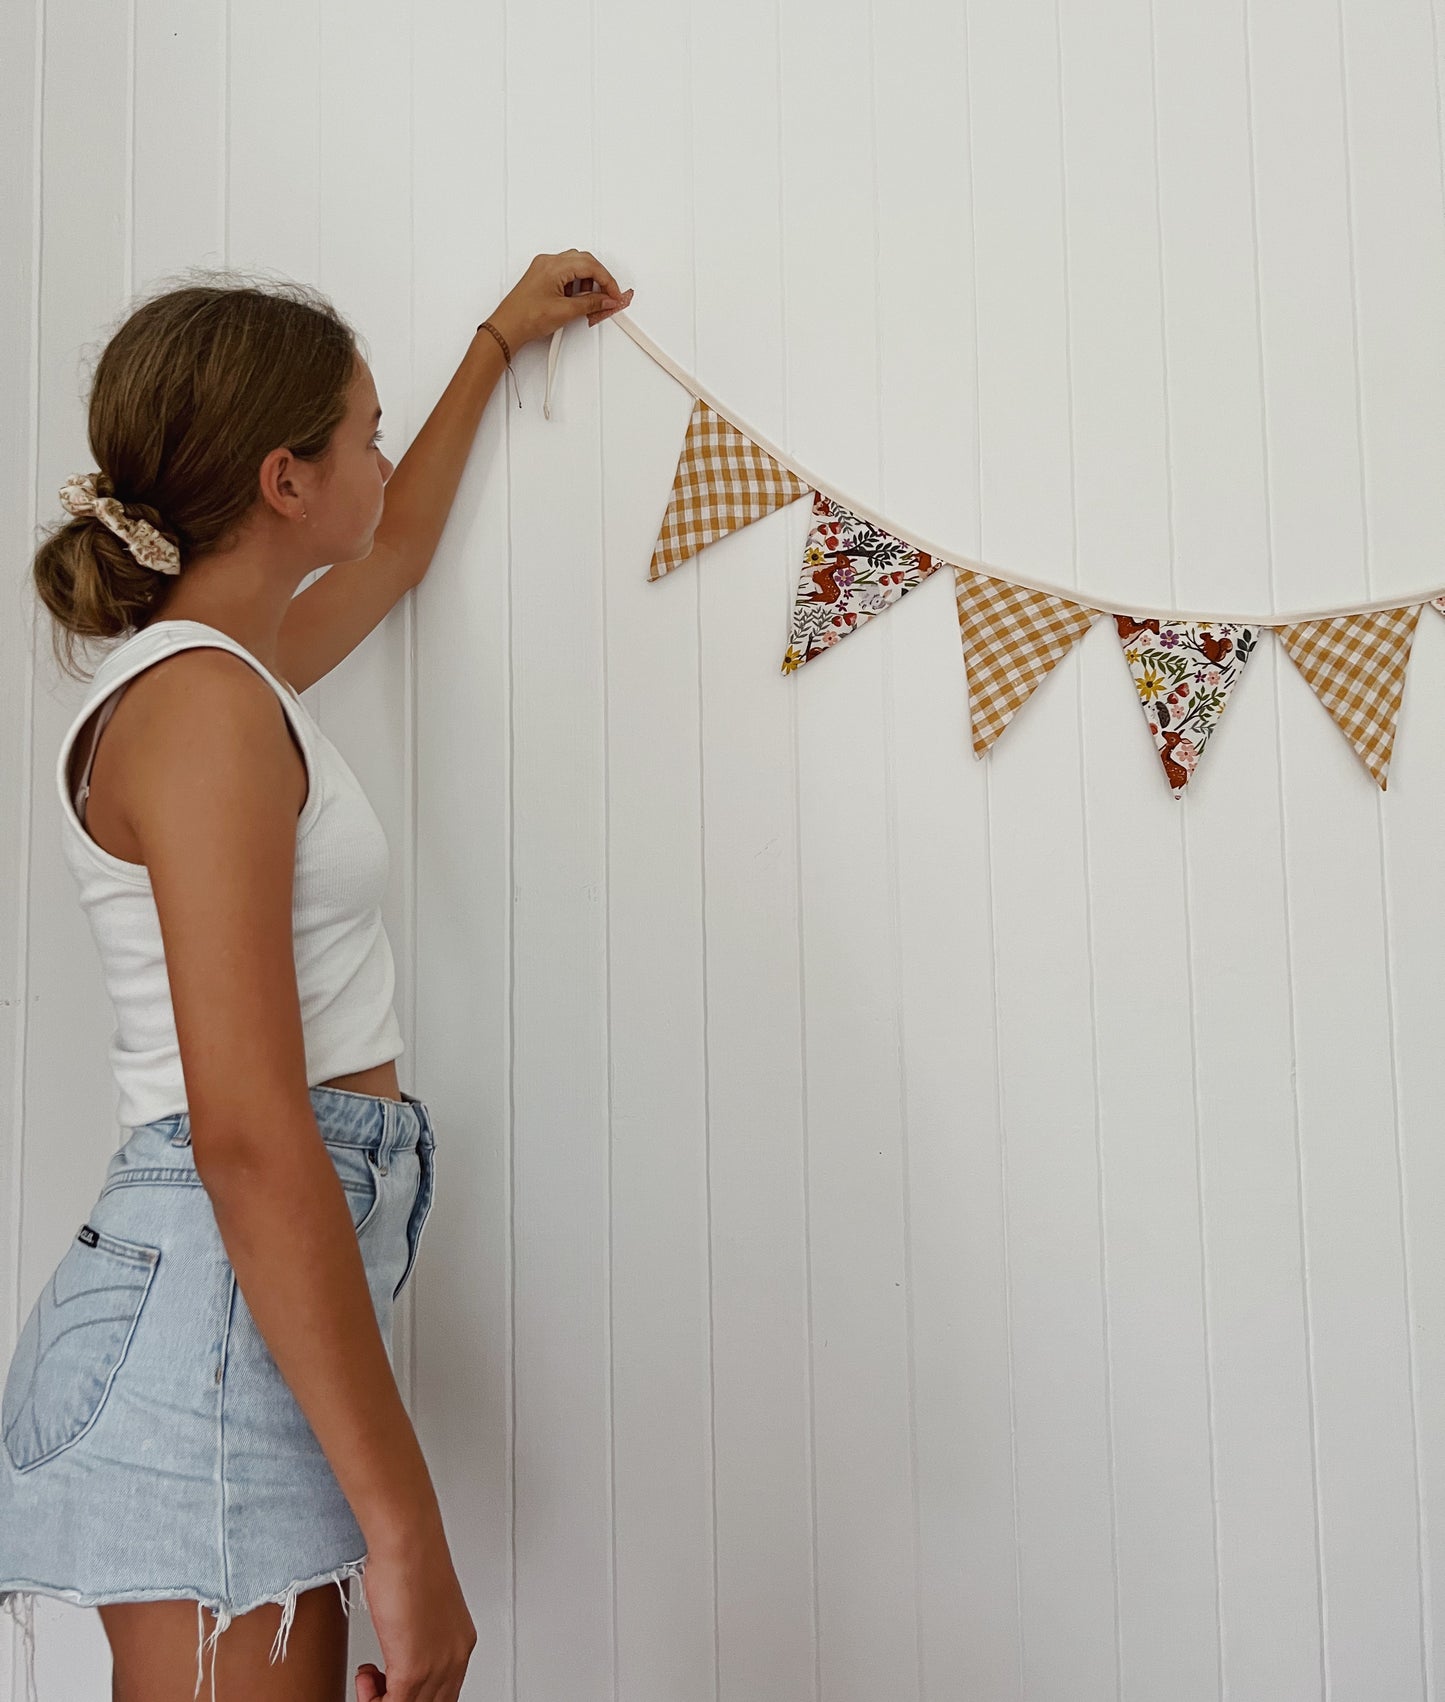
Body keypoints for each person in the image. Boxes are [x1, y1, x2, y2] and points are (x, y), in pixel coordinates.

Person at [0, 250, 634, 1702]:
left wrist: (497, 339)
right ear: (285, 480)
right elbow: (243, 1125)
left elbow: (396, 544)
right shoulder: (203, 706)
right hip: (220, 1288)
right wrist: (404, 1535)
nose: (383, 454)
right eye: (365, 430)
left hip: (234, 1288)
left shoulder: (232, 671)